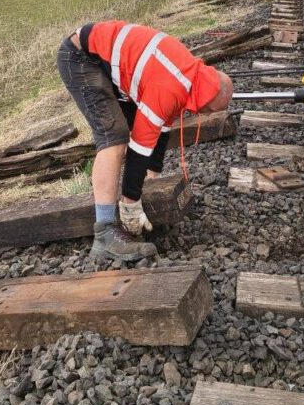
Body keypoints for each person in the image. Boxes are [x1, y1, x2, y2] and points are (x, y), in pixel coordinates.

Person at [57, 21, 233, 262]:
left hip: (106, 63)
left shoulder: (190, 76)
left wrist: (152, 179)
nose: (201, 115)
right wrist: (130, 203)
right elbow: (141, 145)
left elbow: (160, 129)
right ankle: (105, 234)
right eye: (206, 111)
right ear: (206, 101)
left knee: (132, 133)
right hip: (82, 57)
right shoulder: (170, 87)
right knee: (114, 138)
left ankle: (120, 204)